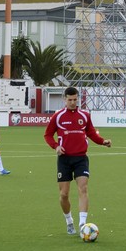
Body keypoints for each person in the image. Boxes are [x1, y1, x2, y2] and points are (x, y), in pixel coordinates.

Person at [44, 86, 112, 237]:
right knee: (64, 194)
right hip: (64, 159)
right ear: (64, 99)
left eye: (75, 99)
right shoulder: (58, 116)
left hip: (81, 158)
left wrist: (102, 142)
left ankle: (82, 224)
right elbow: (48, 135)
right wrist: (55, 146)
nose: (73, 103)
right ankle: (69, 221)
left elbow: (92, 133)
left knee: (83, 189)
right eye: (70, 100)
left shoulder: (85, 115)